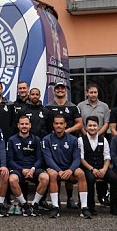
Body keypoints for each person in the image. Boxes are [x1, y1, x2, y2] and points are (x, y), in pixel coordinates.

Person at [43, 114, 91, 219]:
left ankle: (84, 208)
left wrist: (70, 170)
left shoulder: (74, 140)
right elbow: (48, 159)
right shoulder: (46, 140)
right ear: (53, 125)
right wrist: (59, 171)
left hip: (70, 169)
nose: (58, 125)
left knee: (81, 173)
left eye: (61, 123)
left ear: (65, 125)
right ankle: (55, 207)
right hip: (56, 169)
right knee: (52, 174)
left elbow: (77, 158)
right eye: (56, 123)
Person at [44, 81, 83, 209]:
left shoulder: (73, 107)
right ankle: (56, 201)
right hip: (53, 140)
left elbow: (79, 124)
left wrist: (66, 131)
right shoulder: (48, 107)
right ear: (54, 91)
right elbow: (45, 124)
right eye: (58, 89)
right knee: (55, 170)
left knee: (69, 166)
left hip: (69, 140)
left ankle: (70, 198)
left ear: (66, 90)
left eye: (62, 88)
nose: (60, 90)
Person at [7, 115, 50, 217]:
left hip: (33, 168)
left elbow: (40, 158)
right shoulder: (12, 140)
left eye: (26, 124)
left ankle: (34, 204)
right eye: (22, 124)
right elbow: (10, 160)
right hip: (18, 168)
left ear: (30, 125)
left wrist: (33, 169)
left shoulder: (36, 139)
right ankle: (25, 205)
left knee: (45, 177)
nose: (24, 126)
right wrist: (21, 169)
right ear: (18, 125)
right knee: (12, 179)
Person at [78, 116, 117, 216]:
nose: (92, 128)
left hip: (102, 167)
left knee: (114, 179)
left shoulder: (103, 139)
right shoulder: (80, 140)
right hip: (88, 168)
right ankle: (90, 207)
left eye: (94, 125)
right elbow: (81, 158)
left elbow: (107, 156)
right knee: (90, 179)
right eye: (90, 125)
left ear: (98, 127)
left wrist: (105, 169)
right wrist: (92, 169)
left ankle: (114, 208)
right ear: (86, 127)